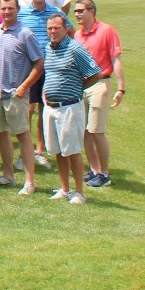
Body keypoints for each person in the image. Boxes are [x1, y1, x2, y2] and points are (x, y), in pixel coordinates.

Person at [0, 0, 45, 194]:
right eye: (4, 8)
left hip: (15, 95)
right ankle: (8, 176)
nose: (6, 12)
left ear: (17, 9)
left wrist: (25, 86)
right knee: (1, 134)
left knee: (23, 136)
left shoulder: (25, 34)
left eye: (10, 8)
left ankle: (30, 181)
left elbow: (39, 64)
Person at [40, 15, 101, 205]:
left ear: (66, 28)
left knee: (72, 151)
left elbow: (96, 73)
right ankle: (64, 189)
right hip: (51, 108)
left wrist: (77, 88)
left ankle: (79, 193)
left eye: (57, 28)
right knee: (58, 150)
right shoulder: (49, 48)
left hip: (70, 107)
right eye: (50, 28)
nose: (53, 31)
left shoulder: (75, 49)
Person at [17, 0, 70, 167]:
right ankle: (25, 150)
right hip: (30, 67)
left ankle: (40, 150)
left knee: (44, 108)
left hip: (51, 67)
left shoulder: (56, 13)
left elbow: (70, 34)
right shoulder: (21, 14)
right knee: (28, 108)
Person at [71, 0, 122, 188]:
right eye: (75, 11)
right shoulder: (77, 35)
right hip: (82, 86)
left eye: (80, 11)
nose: (76, 14)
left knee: (96, 130)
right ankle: (94, 170)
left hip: (100, 83)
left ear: (91, 11)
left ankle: (105, 174)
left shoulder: (107, 30)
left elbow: (116, 60)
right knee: (84, 131)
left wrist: (121, 88)